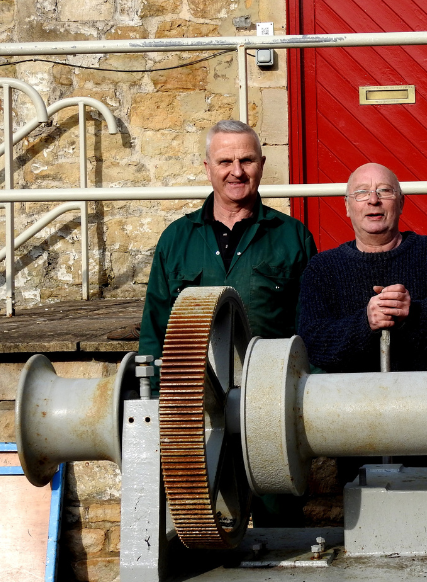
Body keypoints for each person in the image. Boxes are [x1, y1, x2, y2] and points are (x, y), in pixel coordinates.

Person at [139, 120, 317, 525]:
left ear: (262, 164)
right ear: (207, 167)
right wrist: (152, 399)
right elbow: (155, 327)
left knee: (280, 527)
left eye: (247, 160)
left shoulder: (293, 237)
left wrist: (306, 396)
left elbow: (310, 327)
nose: (236, 170)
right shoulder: (176, 240)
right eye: (225, 161)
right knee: (203, 519)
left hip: (269, 407)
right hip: (197, 407)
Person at [298, 163, 427, 373]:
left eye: (384, 191)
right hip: (350, 400)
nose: (373, 200)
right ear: (347, 206)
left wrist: (413, 314)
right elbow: (312, 343)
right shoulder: (323, 269)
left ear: (401, 202)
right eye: (361, 193)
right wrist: (364, 323)